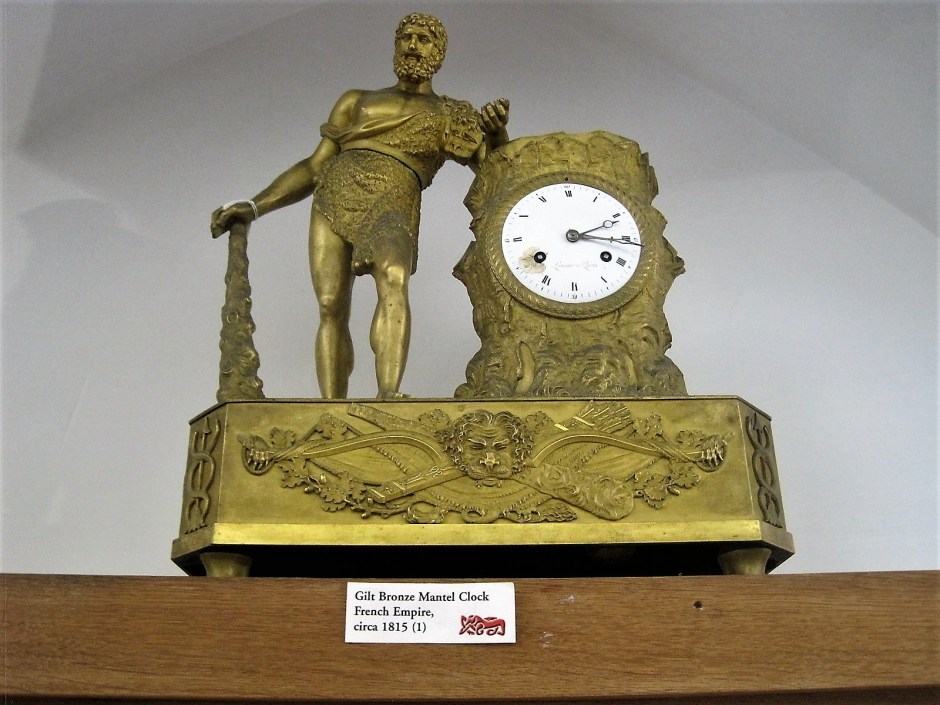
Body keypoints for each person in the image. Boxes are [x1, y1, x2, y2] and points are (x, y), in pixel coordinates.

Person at [211, 13, 509, 398]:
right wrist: (255, 206)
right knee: (331, 305)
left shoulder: (452, 114)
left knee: (394, 277)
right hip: (334, 196)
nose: (413, 45)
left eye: (424, 39)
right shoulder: (357, 101)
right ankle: (331, 406)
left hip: (395, 201)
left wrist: (497, 133)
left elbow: (495, 172)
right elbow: (314, 166)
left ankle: (388, 396)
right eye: (406, 37)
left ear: (439, 52)